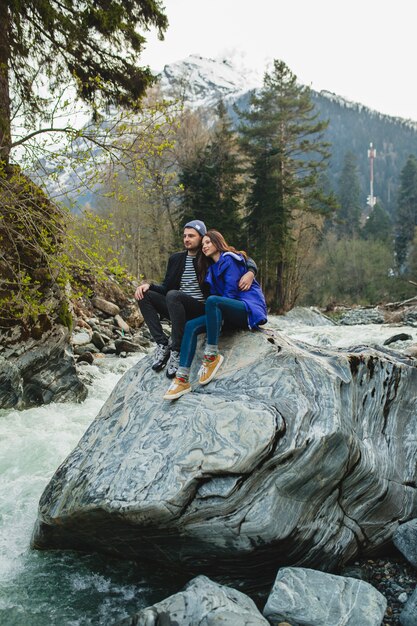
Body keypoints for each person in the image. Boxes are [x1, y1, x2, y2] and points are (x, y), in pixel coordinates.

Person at [134, 220, 258, 378]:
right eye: (185, 236)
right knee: (144, 295)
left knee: (173, 294)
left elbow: (243, 258)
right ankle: (162, 344)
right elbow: (166, 287)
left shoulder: (208, 255)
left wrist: (251, 272)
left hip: (200, 308)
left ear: (201, 237)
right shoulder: (176, 259)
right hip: (176, 307)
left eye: (191, 236)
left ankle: (176, 351)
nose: (187, 239)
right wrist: (149, 286)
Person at [163, 229, 267, 400]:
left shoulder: (230, 259)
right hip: (226, 311)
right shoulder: (211, 269)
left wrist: (251, 272)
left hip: (247, 308)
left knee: (213, 300)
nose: (204, 246)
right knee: (190, 326)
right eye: (203, 244)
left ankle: (211, 356)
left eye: (208, 242)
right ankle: (182, 378)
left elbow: (230, 294)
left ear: (218, 242)